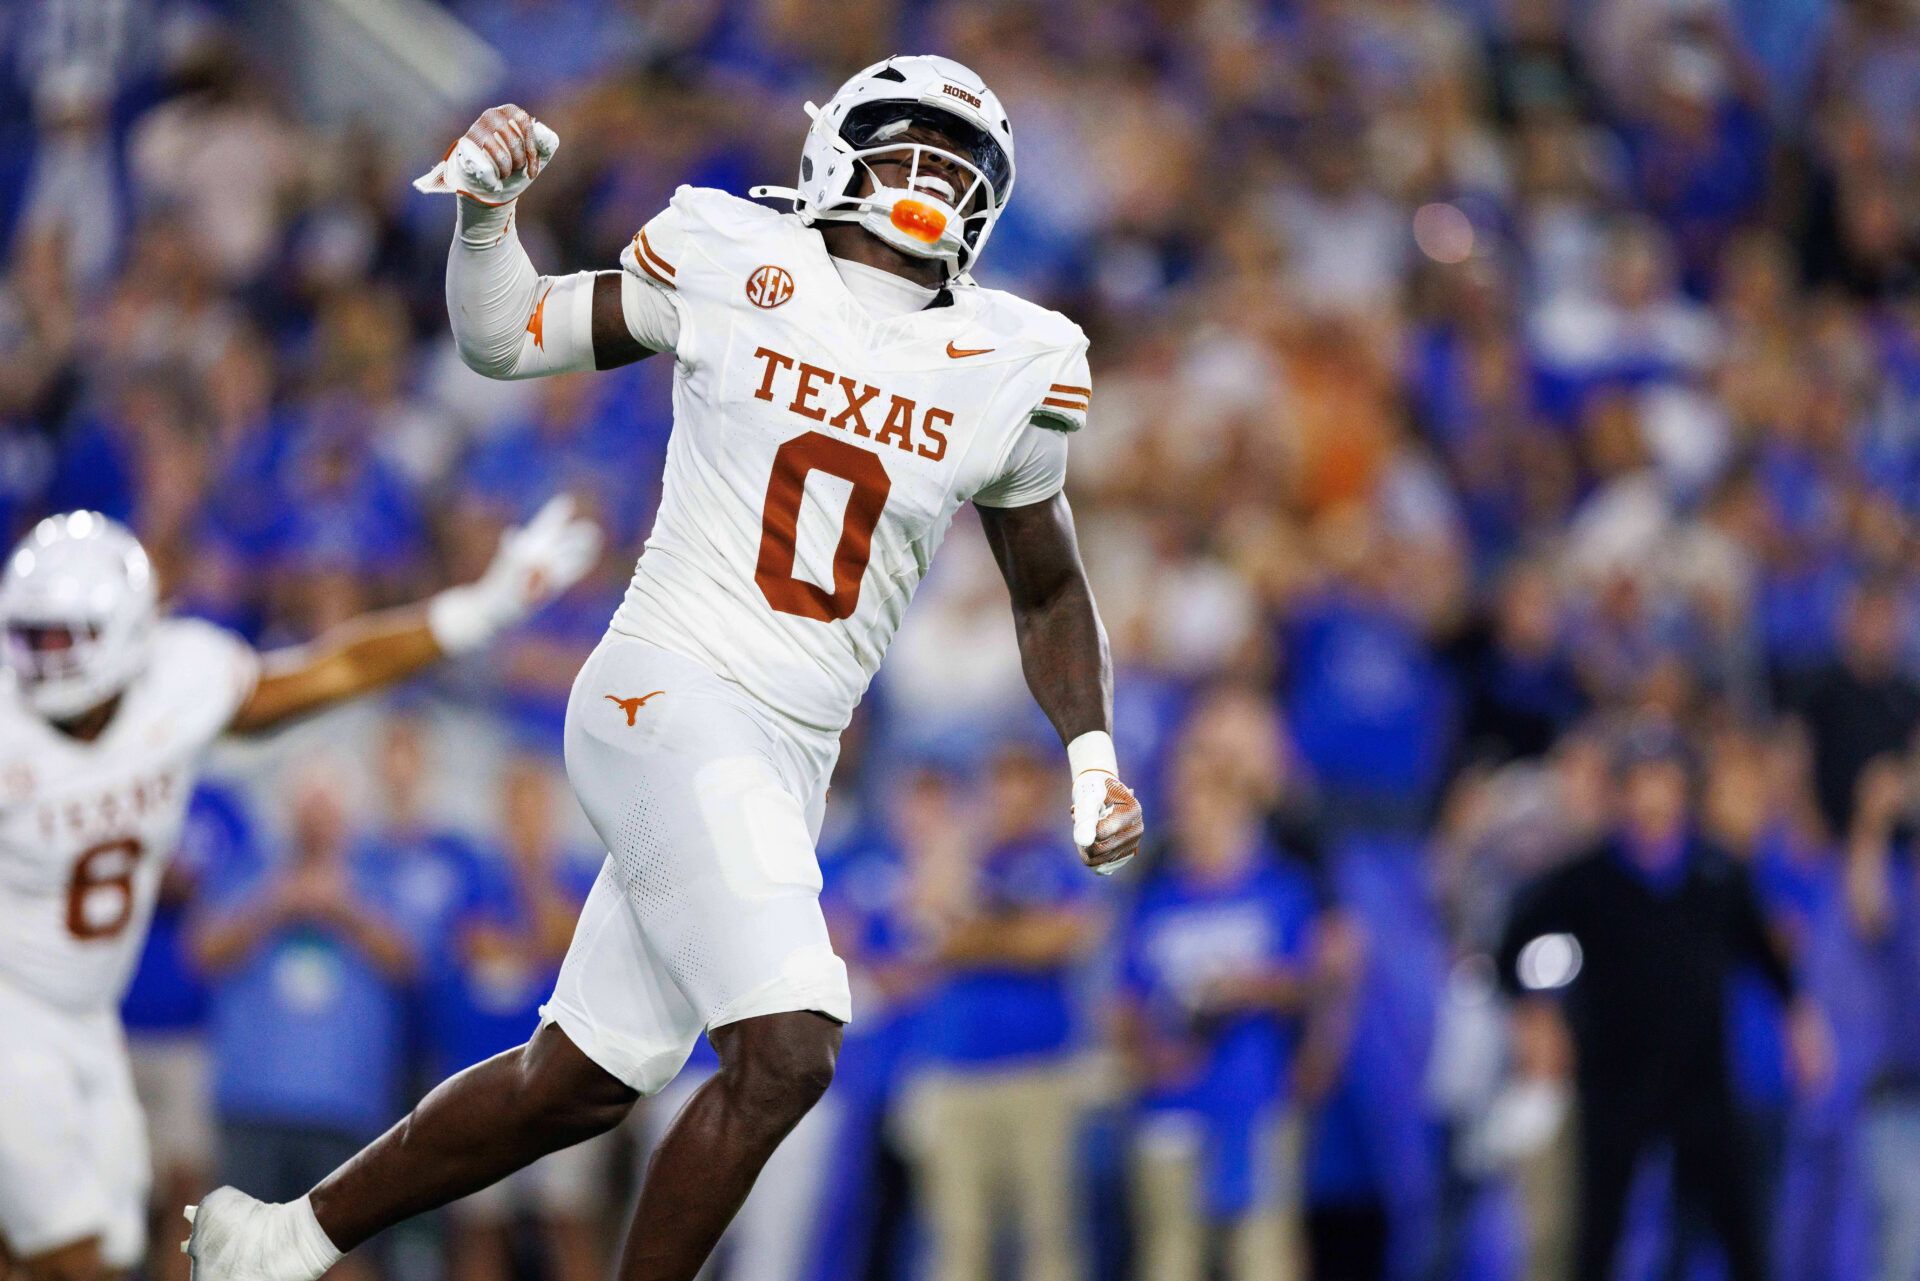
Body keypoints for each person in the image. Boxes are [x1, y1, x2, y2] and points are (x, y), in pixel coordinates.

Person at [183, 53, 1145, 1281]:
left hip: (785, 753)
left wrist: (1091, 756)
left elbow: (1051, 587)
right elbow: (507, 337)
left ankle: (278, 1239)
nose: (930, 183)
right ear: (837, 151)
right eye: (908, 149)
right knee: (791, 1045)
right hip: (669, 688)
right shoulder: (735, 256)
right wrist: (487, 221)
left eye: (960, 169)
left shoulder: (1013, 361)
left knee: (576, 1083)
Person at [0, 500, 599, 1281]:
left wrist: (479, 609)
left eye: (62, 636)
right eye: (29, 635)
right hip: (18, 1007)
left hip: (89, 1017)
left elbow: (334, 667)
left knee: (95, 1242)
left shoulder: (179, 681)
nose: (41, 658)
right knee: (76, 1254)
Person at [1495, 728, 1832, 1281]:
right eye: (1641, 782)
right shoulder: (1588, 877)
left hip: (1701, 1077)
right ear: (1622, 793)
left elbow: (1762, 955)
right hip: (1615, 1078)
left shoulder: (1716, 871)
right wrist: (1536, 1014)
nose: (1654, 796)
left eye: (1666, 782)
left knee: (1740, 1230)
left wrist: (1800, 1019)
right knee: (1598, 1233)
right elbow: (1513, 946)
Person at [191, 761, 419, 1281]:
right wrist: (276, 905)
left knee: (344, 1254)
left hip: (346, 1108)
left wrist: (346, 911)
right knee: (239, 1252)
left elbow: (409, 963)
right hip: (253, 1102)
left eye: (328, 809)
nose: (317, 822)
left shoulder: (377, 874)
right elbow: (204, 953)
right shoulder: (250, 870)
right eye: (308, 809)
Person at [1113, 733, 1326, 1281]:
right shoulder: (1157, 898)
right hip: (1172, 1101)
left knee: (1264, 1256)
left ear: (1238, 806)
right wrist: (1145, 1058)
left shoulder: (1280, 889)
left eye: (1209, 799)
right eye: (1187, 802)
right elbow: (1125, 1001)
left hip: (1254, 1096)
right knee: (1171, 1258)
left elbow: (1310, 983)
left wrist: (1244, 989)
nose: (1196, 815)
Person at [902, 739, 1100, 1281]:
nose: (1013, 796)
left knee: (1049, 1237)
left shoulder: (1065, 859)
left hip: (1041, 1071)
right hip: (957, 1071)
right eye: (1002, 781)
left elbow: (1061, 939)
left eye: (1025, 781)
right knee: (958, 1240)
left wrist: (976, 935)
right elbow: (928, 936)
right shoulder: (958, 855)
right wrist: (1010, 933)